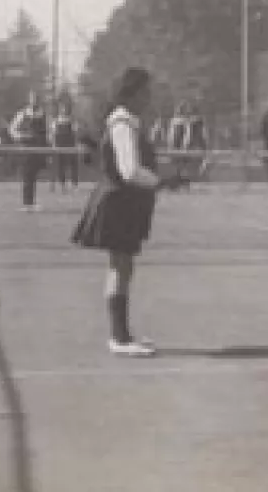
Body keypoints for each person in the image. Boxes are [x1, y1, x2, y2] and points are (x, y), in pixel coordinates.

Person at [71, 67, 174, 357]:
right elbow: (130, 171)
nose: (148, 98)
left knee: (122, 266)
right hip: (119, 202)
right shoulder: (122, 123)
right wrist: (161, 181)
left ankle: (121, 335)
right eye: (145, 92)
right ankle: (120, 338)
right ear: (131, 93)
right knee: (120, 266)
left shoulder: (126, 121)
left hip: (122, 201)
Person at [8, 92, 49, 211]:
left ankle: (31, 202)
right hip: (26, 149)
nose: (35, 101)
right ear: (29, 99)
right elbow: (12, 129)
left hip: (39, 149)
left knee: (33, 175)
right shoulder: (23, 114)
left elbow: (48, 131)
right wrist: (22, 136)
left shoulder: (43, 114)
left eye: (37, 98)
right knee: (27, 175)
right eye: (33, 98)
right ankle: (27, 203)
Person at [51, 103, 80, 191]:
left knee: (73, 164)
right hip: (60, 146)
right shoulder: (55, 121)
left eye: (65, 108)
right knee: (60, 165)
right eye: (62, 108)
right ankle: (62, 184)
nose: (63, 110)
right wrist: (54, 145)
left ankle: (74, 184)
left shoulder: (72, 121)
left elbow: (75, 133)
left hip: (71, 145)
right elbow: (53, 134)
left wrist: (76, 145)